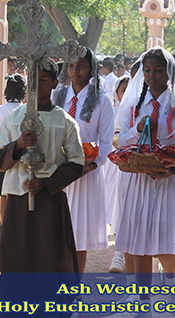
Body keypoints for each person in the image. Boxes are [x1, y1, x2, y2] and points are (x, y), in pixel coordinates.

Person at [115, 47, 175, 307]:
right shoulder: (134, 104)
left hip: (168, 180)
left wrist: (172, 169)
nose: (151, 75)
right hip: (138, 179)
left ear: (169, 72)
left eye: (158, 70)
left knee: (164, 231)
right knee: (139, 235)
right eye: (147, 70)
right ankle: (143, 296)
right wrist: (137, 128)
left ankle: (171, 281)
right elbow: (121, 140)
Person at [0, 59, 84, 273]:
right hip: (17, 196)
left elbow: (77, 163)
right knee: (16, 254)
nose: (37, 85)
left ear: (54, 83)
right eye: (32, 80)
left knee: (50, 255)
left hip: (49, 199)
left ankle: (50, 304)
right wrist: (18, 145)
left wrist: (47, 182)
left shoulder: (64, 121)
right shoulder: (13, 119)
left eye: (43, 80)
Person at [53, 48, 115, 274]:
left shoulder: (101, 101)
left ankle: (73, 287)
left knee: (77, 235)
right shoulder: (57, 97)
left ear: (91, 69)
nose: (75, 71)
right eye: (70, 65)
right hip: (56, 173)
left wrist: (92, 164)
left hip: (85, 175)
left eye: (81, 66)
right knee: (55, 232)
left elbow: (107, 142)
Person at [0, 74, 26, 247]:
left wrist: (2, 147)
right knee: (21, 196)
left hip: (3, 157)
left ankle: (4, 232)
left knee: (4, 197)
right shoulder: (26, 110)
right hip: (22, 157)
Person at [106, 75, 129, 273]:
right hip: (113, 167)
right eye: (122, 90)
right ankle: (118, 255)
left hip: (133, 166)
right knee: (118, 210)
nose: (126, 93)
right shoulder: (111, 112)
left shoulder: (138, 112)